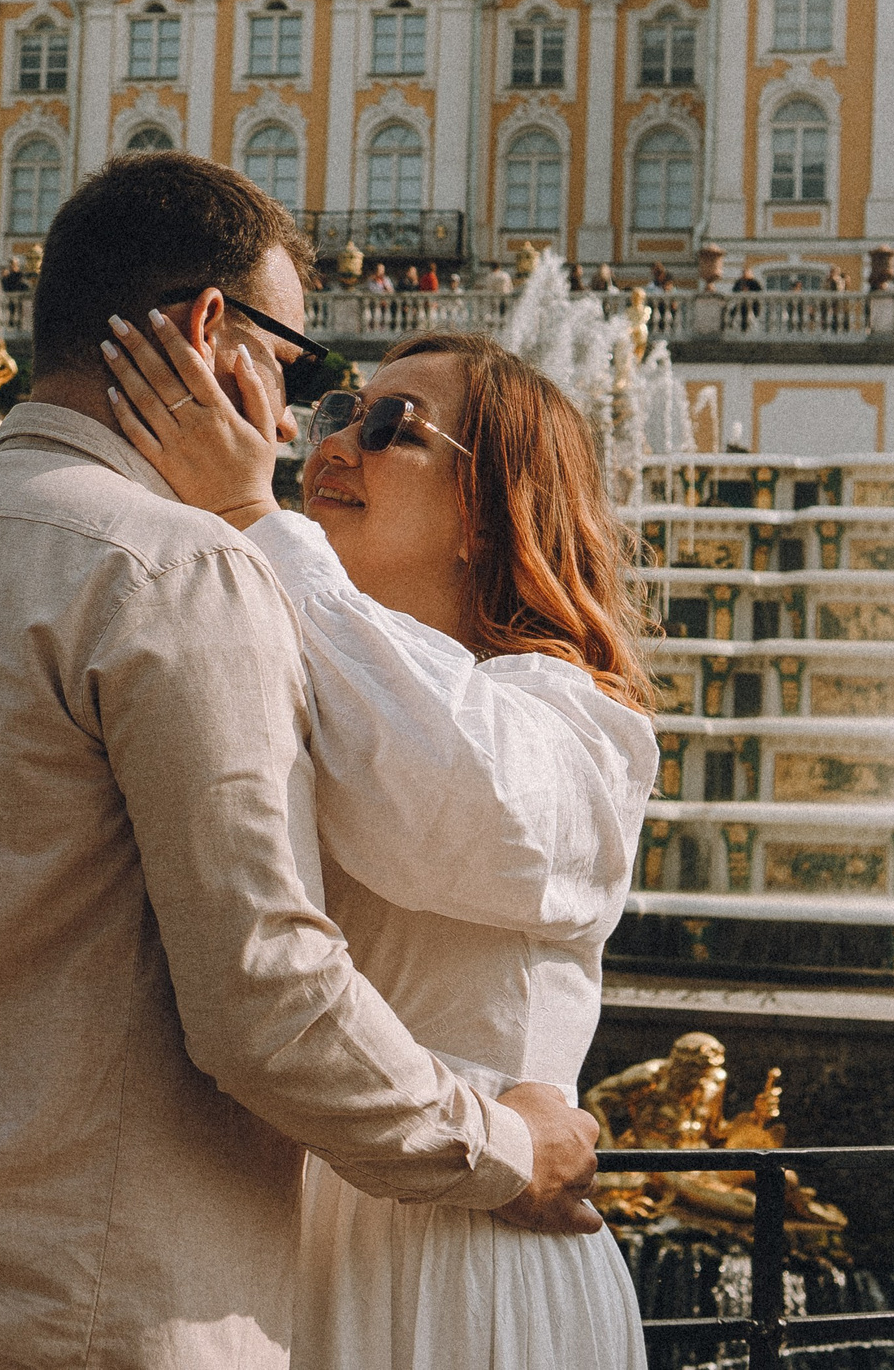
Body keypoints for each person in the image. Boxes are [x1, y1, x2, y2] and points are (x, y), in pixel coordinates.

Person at [0, 152, 602, 1370]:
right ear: (206, 332)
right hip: (57, 1305)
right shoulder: (182, 569)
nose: (294, 425)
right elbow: (263, 999)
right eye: (297, 370)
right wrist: (505, 1152)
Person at [105, 317, 654, 1370]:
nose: (335, 445)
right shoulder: (291, 661)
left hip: (457, 1249)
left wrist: (246, 515)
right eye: (340, 412)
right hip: (264, 1240)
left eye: (396, 428)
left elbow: (458, 814)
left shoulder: (576, 718)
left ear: (486, 518)